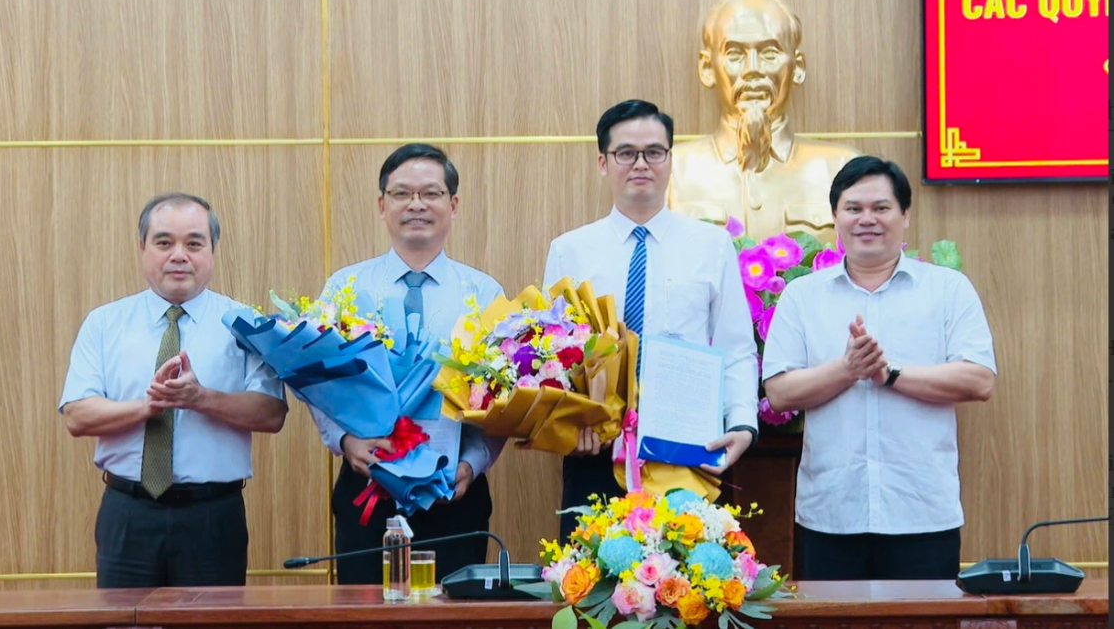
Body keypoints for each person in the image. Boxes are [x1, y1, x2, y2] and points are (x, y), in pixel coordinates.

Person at [761, 155, 998, 581]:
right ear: (835, 217)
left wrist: (890, 374)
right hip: (831, 516)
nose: (866, 219)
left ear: (905, 216)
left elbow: (979, 380)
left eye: (881, 208)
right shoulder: (802, 297)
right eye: (853, 208)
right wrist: (848, 369)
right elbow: (779, 392)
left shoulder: (948, 290)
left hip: (922, 514)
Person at [542, 99, 761, 541]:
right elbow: (552, 354)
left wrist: (741, 425)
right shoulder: (570, 250)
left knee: (682, 577)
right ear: (603, 162)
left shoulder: (711, 246)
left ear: (670, 160)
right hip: (596, 452)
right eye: (626, 153)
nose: (640, 164)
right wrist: (568, 423)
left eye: (654, 152)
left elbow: (736, 348)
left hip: (685, 452)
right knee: (587, 579)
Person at [59, 192, 289, 588]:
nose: (179, 256)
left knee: (213, 619)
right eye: (164, 242)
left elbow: (272, 413)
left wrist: (201, 399)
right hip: (128, 513)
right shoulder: (104, 323)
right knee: (122, 617)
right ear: (142, 248)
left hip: (212, 515)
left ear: (213, 250)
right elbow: (77, 416)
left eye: (194, 243)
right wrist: (148, 406)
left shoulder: (245, 324)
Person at [312, 144, 506, 585]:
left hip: (453, 493)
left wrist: (472, 464)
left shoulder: (484, 294)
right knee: (364, 613)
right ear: (382, 205)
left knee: (452, 612)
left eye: (431, 193)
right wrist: (345, 441)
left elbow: (501, 399)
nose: (416, 204)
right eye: (402, 193)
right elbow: (317, 383)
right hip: (367, 485)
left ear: (453, 205)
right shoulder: (345, 288)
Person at [667, 0, 861, 245]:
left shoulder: (841, 168)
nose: (753, 69)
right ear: (707, 68)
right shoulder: (670, 172)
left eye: (770, 53)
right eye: (735, 54)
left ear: (797, 67)